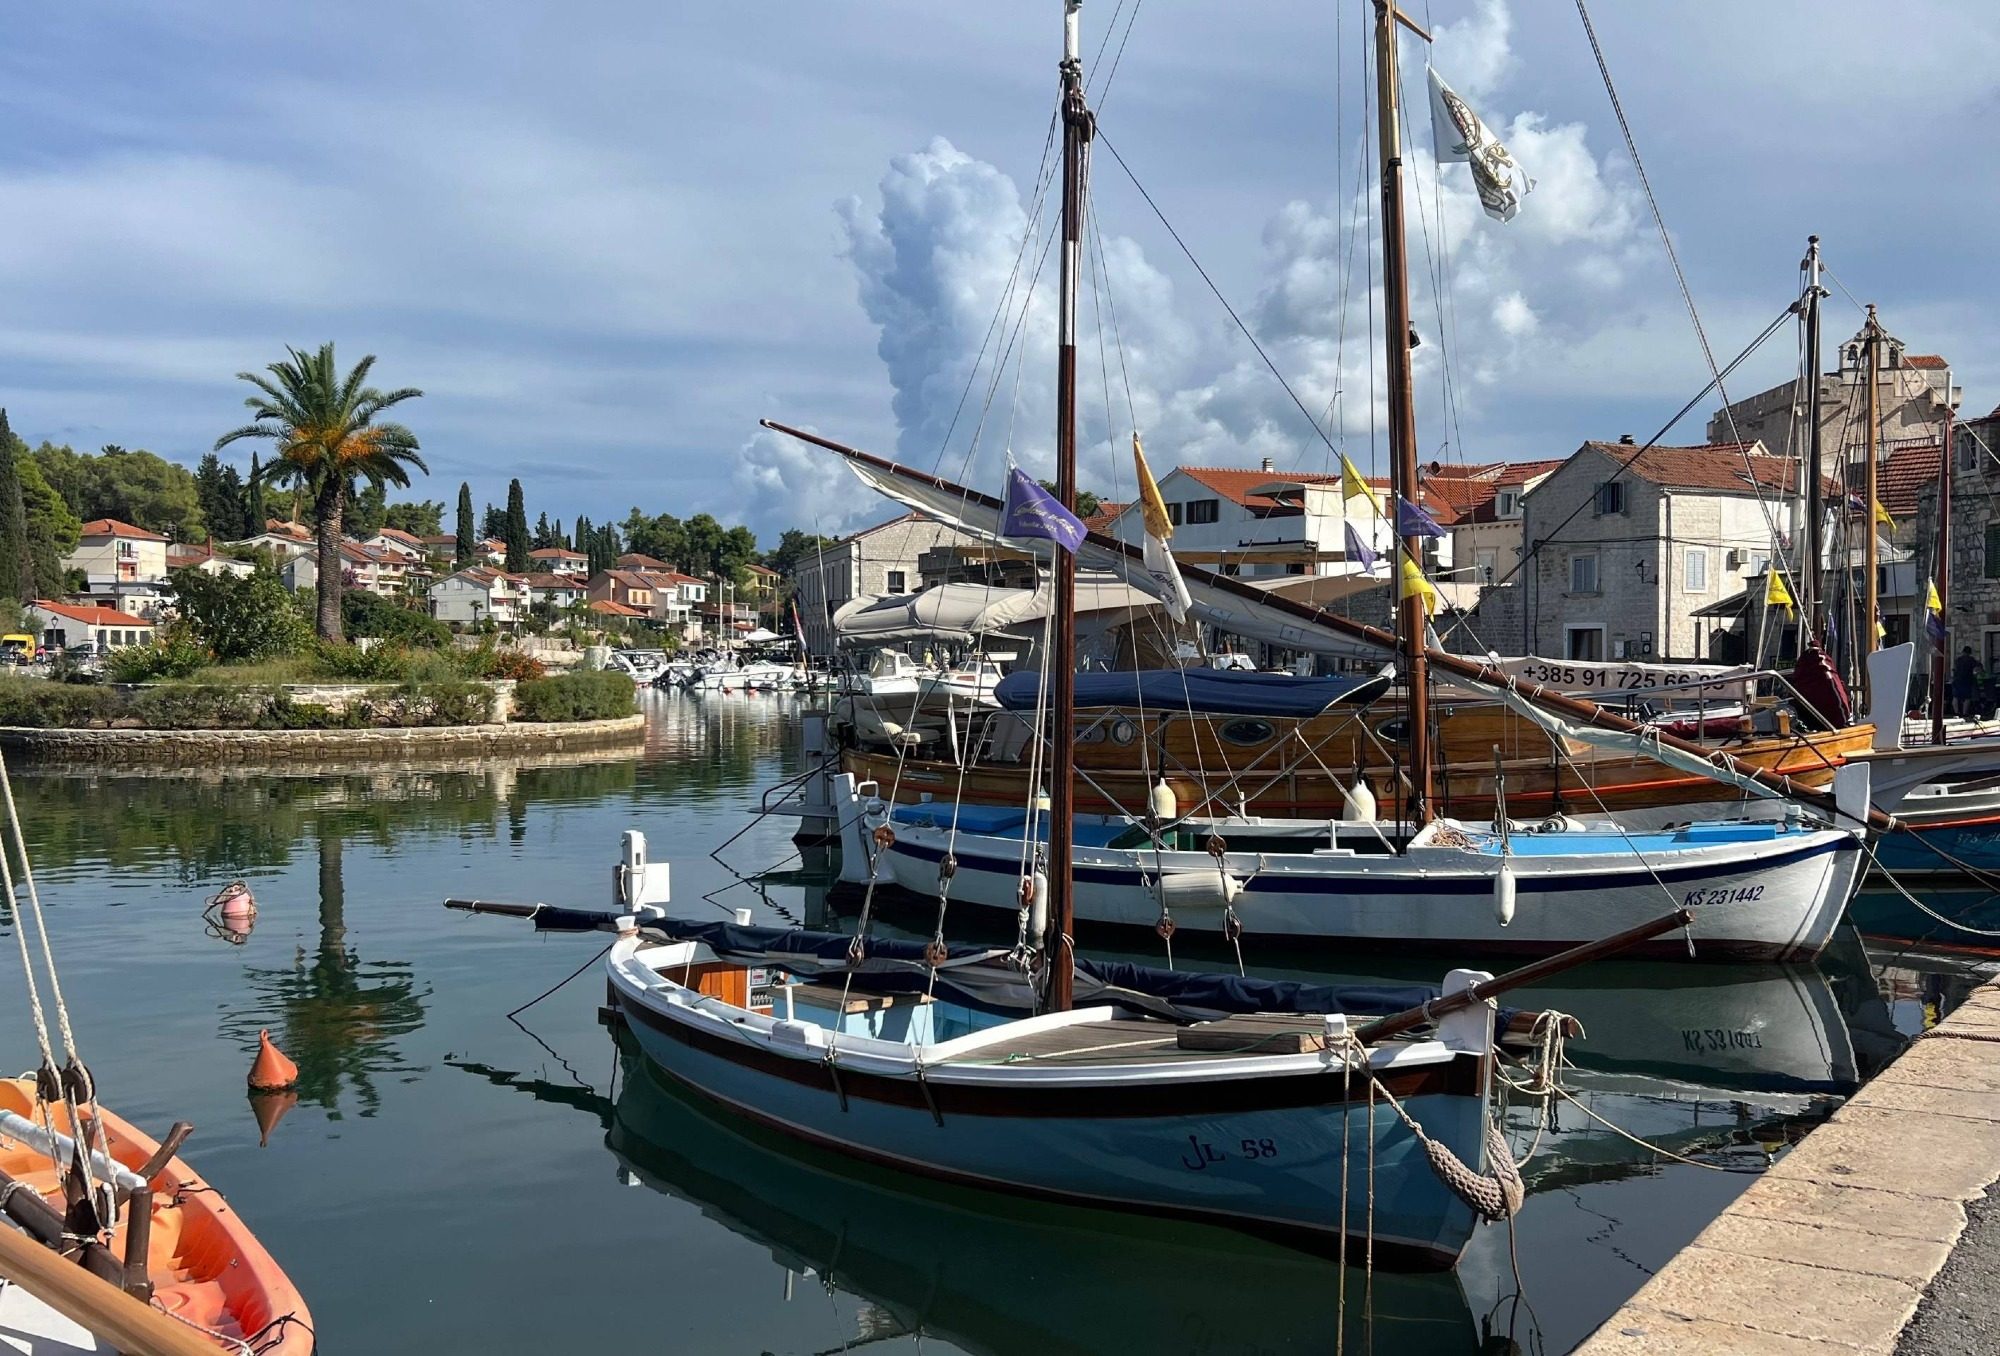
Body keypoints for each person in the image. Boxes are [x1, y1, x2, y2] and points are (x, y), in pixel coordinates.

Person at [1954, 646, 1982, 718]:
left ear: (1963, 652)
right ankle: (1964, 713)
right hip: (1967, 680)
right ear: (1970, 653)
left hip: (1957, 680)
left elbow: (1955, 669)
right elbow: (1978, 667)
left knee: (1956, 697)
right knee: (1967, 697)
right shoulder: (1971, 660)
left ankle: (1956, 712)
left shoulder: (1958, 660)